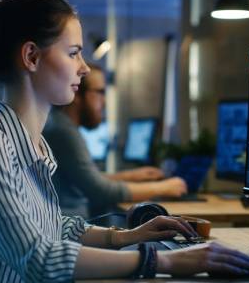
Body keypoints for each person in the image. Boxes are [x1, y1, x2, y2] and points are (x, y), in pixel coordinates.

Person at [0, 0, 249, 283]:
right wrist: (166, 262)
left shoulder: (31, 143)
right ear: (31, 56)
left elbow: (49, 227)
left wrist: (128, 236)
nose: (85, 68)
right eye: (73, 53)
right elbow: (39, 258)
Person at [44, 63, 186, 218]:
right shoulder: (64, 132)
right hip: (73, 232)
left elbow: (88, 180)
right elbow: (100, 191)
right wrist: (163, 187)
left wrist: (130, 176)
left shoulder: (60, 124)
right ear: (77, 93)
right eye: (100, 92)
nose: (104, 102)